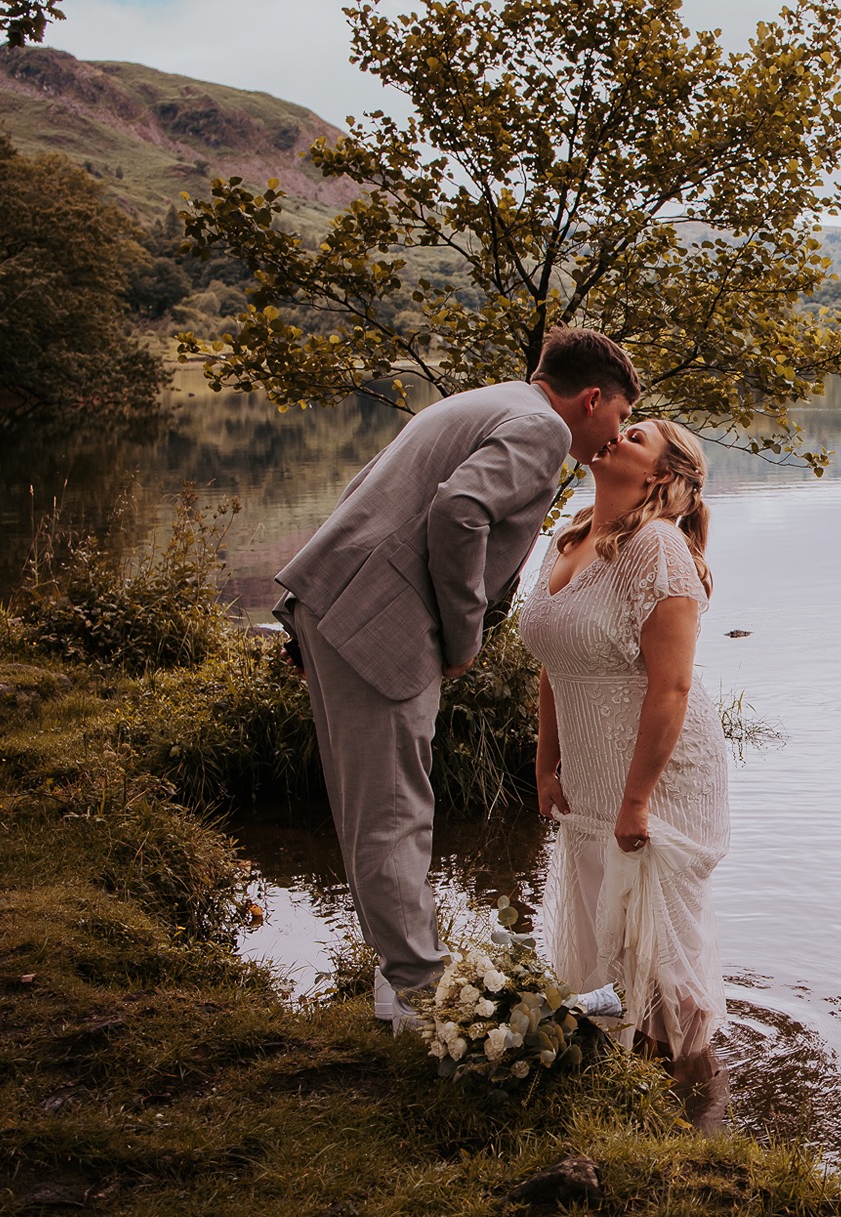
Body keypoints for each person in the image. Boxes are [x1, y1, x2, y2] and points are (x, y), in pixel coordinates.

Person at [275, 329, 639, 1030]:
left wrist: (313, 607)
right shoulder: (537, 428)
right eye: (620, 417)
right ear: (592, 398)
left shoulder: (487, 401)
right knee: (393, 811)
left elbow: (371, 491)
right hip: (382, 627)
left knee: (368, 808)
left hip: (341, 608)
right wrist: (463, 632)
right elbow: (459, 510)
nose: (616, 436)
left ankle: (396, 975)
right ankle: (423, 995)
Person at [517, 418, 730, 1117]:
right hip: (588, 766)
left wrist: (636, 800)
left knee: (656, 944)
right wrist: (547, 762)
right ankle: (624, 1085)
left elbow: (671, 687)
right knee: (602, 927)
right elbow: (554, 662)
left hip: (657, 777)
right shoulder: (570, 538)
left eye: (635, 434)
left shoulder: (658, 548)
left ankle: (687, 1108)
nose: (614, 433)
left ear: (661, 475)